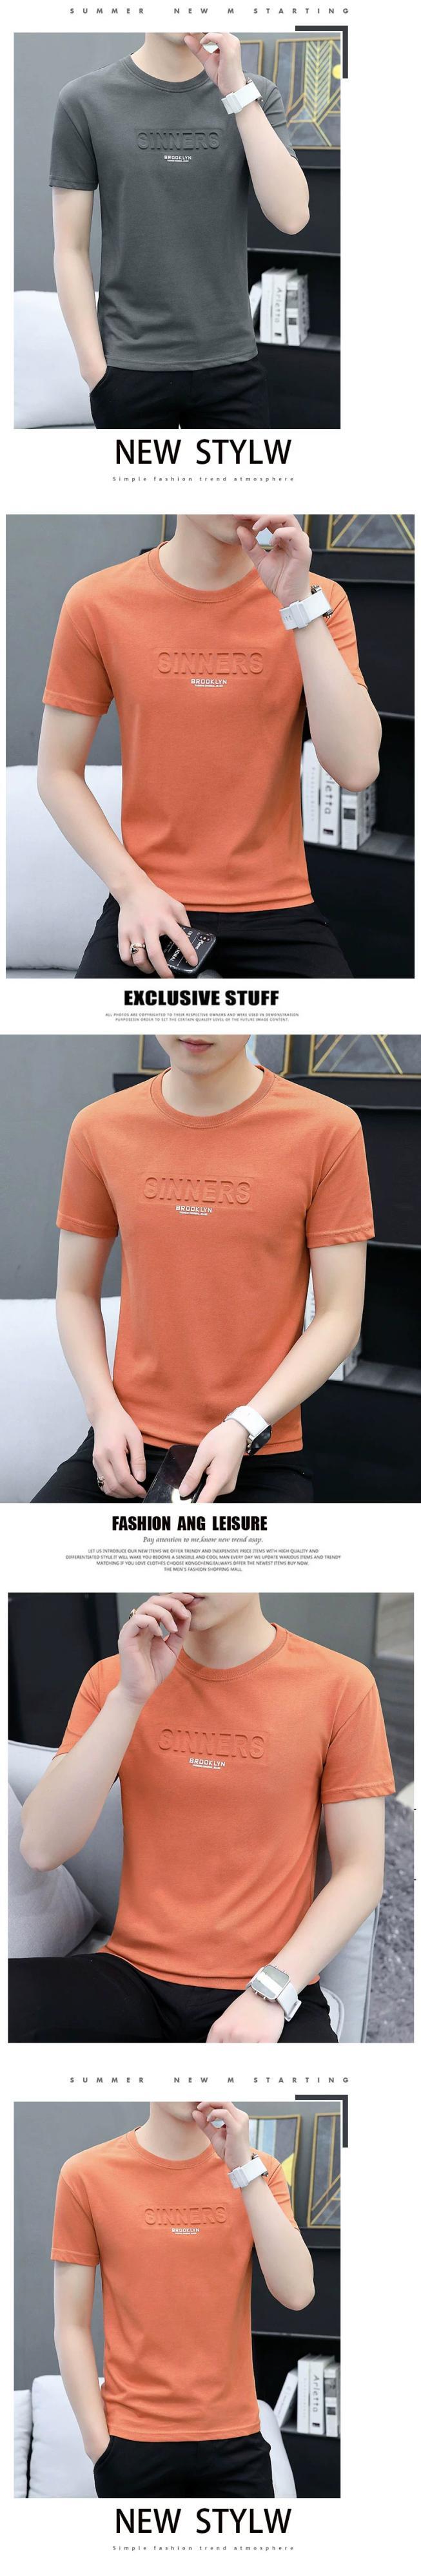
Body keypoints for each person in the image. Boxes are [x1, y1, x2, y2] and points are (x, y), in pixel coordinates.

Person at [12, 1590, 394, 2042]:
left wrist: (272, 1992)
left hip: (263, 1983)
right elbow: (42, 1848)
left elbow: (360, 1872)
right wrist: (130, 1697)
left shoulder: (342, 1685)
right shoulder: (113, 1679)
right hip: (131, 1976)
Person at [30, 1035, 375, 1505]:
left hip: (257, 1449)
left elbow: (340, 1315)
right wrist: (103, 1412)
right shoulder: (99, 1127)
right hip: (127, 1443)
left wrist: (245, 1424)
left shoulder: (328, 1129)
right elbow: (75, 1292)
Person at [37, 513, 382, 982]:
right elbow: (57, 772)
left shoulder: (318, 598)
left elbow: (356, 769)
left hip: (280, 906)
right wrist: (132, 890)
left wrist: (296, 604)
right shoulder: (97, 601)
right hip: (152, 898)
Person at [50, 29, 309, 432]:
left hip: (232, 367)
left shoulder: (255, 95)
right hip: (128, 370)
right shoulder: (85, 99)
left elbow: (291, 217)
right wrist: (93, 369)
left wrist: (237, 95)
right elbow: (70, 248)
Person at [51, 2101, 315, 2498]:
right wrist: (98, 2445)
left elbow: (297, 2293)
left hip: (237, 2444)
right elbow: (70, 2325)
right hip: (131, 2446)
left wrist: (243, 2170)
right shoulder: (86, 2174)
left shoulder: (260, 2170)